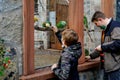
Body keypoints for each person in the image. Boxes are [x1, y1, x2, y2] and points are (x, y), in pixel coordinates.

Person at [86, 11, 120, 80]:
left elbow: (118, 44)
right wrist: (91, 56)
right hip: (108, 68)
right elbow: (104, 47)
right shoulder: (106, 29)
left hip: (115, 68)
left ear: (100, 19)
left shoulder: (115, 27)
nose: (96, 25)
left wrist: (102, 47)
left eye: (96, 23)